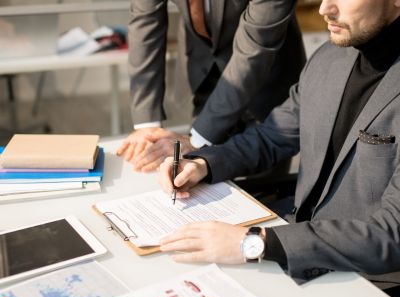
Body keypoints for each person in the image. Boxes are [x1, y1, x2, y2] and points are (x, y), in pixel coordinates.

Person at [158, 0, 400, 281]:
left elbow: (391, 235)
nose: (324, 8)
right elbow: (272, 136)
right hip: (291, 240)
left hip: (365, 279)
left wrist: (257, 242)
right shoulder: (330, 58)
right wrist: (203, 164)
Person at [117, 0, 306, 172]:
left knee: (262, 190)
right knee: (197, 176)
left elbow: (253, 53)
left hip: (266, 83)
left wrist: (195, 141)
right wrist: (148, 125)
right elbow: (145, 24)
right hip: (203, 72)